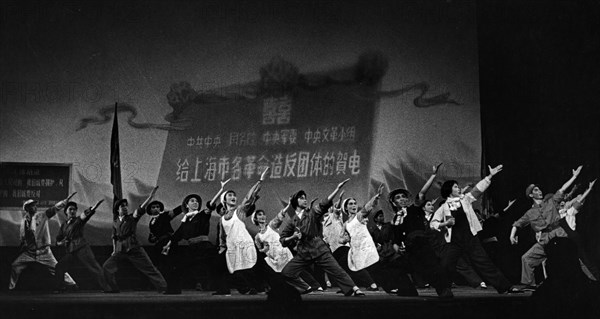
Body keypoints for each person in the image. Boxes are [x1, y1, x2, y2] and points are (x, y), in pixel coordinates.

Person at [431, 165, 520, 294]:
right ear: (449, 189)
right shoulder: (443, 207)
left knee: (484, 262)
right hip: (453, 241)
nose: (458, 188)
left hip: (470, 237)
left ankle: (505, 287)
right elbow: (433, 223)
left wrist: (489, 176)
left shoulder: (465, 199)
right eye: (455, 186)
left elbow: (478, 189)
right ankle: (443, 291)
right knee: (445, 265)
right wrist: (444, 223)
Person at [280, 178, 365, 297]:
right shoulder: (292, 221)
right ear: (295, 201)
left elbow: (324, 203)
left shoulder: (311, 213)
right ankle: (306, 287)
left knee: (336, 270)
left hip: (318, 248)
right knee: (287, 272)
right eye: (301, 198)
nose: (305, 199)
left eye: (305, 197)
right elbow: (283, 238)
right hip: (304, 251)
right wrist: (292, 237)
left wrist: (337, 188)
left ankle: (354, 288)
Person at [509, 165, 583, 289]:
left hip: (558, 235)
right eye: (536, 190)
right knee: (526, 258)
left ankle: (580, 280)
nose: (540, 191)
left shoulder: (551, 201)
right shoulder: (529, 213)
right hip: (545, 239)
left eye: (539, 189)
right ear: (531, 195)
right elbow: (517, 224)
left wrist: (574, 176)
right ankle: (529, 284)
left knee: (567, 258)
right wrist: (512, 235)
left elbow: (562, 189)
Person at [388, 163, 453, 297]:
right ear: (394, 203)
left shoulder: (414, 210)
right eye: (398, 198)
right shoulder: (396, 219)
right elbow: (396, 239)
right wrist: (397, 249)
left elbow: (422, 192)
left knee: (432, 268)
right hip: (410, 249)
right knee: (396, 264)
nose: (402, 199)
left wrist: (433, 175)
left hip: (422, 243)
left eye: (403, 196)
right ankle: (408, 290)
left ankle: (444, 290)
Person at [161, 179, 230, 294]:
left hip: (204, 247)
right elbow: (177, 235)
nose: (195, 202)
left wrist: (221, 190)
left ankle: (223, 290)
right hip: (192, 249)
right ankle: (174, 290)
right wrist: (167, 246)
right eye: (192, 201)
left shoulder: (202, 215)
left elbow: (211, 205)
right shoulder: (186, 220)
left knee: (217, 265)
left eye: (197, 201)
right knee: (177, 266)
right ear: (186, 204)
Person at [102, 186, 167, 293]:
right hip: (120, 249)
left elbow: (140, 209)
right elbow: (114, 237)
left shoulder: (132, 218)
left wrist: (150, 197)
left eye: (126, 206)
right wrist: (114, 250)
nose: (125, 208)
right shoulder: (115, 222)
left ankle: (163, 287)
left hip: (134, 248)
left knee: (149, 268)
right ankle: (113, 288)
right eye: (122, 206)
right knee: (107, 266)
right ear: (117, 209)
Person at [9, 193, 77, 290]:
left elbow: (54, 209)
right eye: (32, 206)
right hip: (30, 253)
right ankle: (11, 288)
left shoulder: (42, 215)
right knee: (15, 266)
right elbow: (23, 237)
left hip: (44, 252)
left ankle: (73, 285)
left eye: (35, 205)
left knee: (57, 268)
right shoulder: (24, 221)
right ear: (27, 208)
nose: (35, 207)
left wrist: (64, 202)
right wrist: (22, 247)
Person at [217, 169, 268, 294]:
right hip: (233, 248)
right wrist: (222, 248)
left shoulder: (239, 211)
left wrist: (260, 181)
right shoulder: (222, 219)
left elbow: (248, 197)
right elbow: (222, 236)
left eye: (234, 195)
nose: (233, 197)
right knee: (235, 269)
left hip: (247, 245)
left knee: (258, 267)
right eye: (230, 195)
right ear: (224, 200)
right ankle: (245, 289)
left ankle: (266, 288)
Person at [54, 199, 110, 292]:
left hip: (82, 248)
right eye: (70, 209)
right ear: (66, 211)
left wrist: (94, 207)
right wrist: (61, 243)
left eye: (74, 209)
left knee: (94, 268)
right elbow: (58, 240)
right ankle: (60, 287)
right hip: (71, 250)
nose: (73, 211)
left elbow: (86, 215)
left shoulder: (78, 220)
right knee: (60, 267)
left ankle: (108, 288)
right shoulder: (64, 225)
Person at [338, 186, 384, 291]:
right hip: (355, 247)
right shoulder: (345, 224)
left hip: (365, 245)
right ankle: (353, 285)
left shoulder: (359, 216)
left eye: (355, 203)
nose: (354, 205)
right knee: (348, 264)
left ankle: (375, 285)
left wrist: (377, 196)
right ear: (345, 208)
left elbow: (368, 207)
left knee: (366, 265)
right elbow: (340, 239)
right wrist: (345, 239)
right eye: (350, 204)